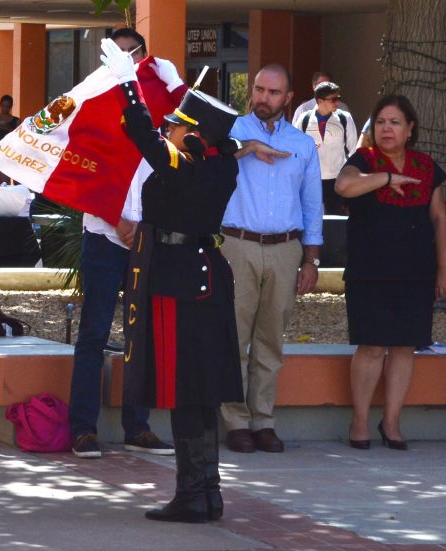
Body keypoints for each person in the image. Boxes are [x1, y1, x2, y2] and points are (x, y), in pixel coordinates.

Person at [101, 36, 253, 523]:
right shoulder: (215, 163)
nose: (168, 129)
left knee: (185, 387)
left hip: (177, 281)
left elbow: (145, 138)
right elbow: (163, 142)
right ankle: (206, 490)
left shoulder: (191, 164)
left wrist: (129, 87)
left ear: (193, 136)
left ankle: (193, 493)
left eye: (177, 124)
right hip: (196, 277)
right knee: (200, 388)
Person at [68, 28, 185, 460]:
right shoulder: (93, 99)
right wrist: (115, 219)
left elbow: (185, 148)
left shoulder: (157, 102)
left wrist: (173, 83)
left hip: (149, 236)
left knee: (144, 335)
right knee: (93, 333)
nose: (123, 61)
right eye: (114, 55)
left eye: (130, 53)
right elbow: (82, 172)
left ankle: (138, 425)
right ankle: (83, 428)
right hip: (104, 236)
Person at [335, 95, 446, 451]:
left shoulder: (426, 166)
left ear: (410, 128)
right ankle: (359, 422)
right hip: (369, 272)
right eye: (381, 121)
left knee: (404, 347)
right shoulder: (364, 160)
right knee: (371, 347)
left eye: (395, 122)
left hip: (416, 272)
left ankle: (392, 421)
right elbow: (344, 186)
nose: (387, 128)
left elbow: (440, 219)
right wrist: (385, 177)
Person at [219, 64, 323, 454]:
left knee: (270, 341)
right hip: (237, 244)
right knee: (233, 336)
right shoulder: (231, 131)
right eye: (259, 89)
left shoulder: (301, 144)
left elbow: (312, 203)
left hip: (285, 248)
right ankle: (235, 421)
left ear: (289, 97)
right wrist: (245, 149)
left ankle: (263, 420)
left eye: (273, 92)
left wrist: (311, 259)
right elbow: (207, 157)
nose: (263, 97)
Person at [294, 81, 357, 215]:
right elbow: (295, 149)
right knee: (309, 218)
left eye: (338, 99)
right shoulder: (304, 119)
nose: (337, 103)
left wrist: (351, 177)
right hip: (310, 179)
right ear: (320, 101)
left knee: (335, 220)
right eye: (333, 99)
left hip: (336, 179)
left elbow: (353, 150)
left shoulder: (344, 118)